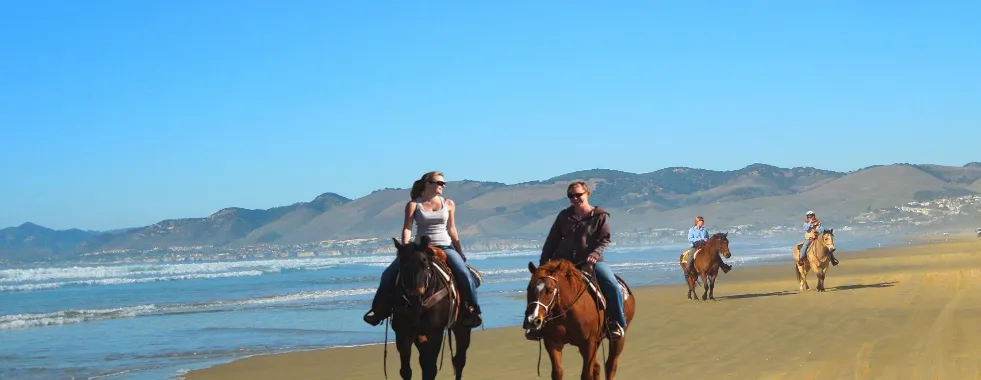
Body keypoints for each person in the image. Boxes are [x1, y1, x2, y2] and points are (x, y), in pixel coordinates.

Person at [362, 171, 482, 328]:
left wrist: (459, 251)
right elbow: (407, 228)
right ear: (428, 183)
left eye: (443, 183)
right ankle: (378, 310)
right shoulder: (414, 204)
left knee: (464, 274)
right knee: (388, 274)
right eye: (439, 183)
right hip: (420, 248)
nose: (443, 186)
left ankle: (472, 310)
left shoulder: (449, 203)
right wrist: (405, 247)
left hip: (444, 246)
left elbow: (452, 229)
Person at [536, 181, 627, 339]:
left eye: (578, 195)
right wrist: (543, 264)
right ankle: (535, 323)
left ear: (588, 194)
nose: (575, 198)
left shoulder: (600, 216)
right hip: (563, 262)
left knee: (613, 286)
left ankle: (616, 322)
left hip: (591, 262)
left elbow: (604, 239)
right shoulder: (564, 216)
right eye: (571, 196)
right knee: (539, 286)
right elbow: (551, 241)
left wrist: (595, 254)